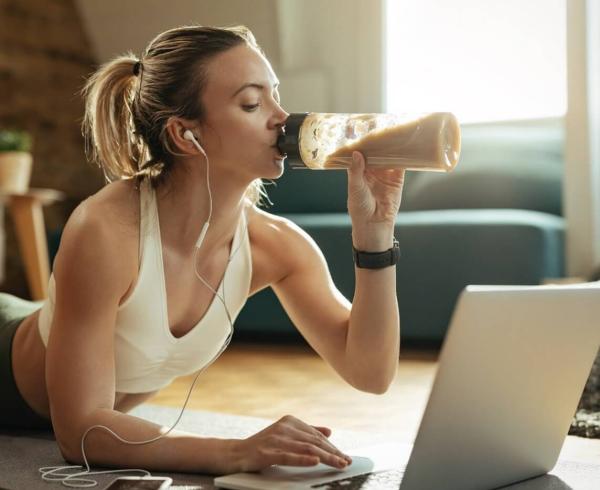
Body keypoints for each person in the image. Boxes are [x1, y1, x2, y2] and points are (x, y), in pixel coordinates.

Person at [0, 25, 405, 476]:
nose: (281, 118)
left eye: (276, 96)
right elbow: (80, 435)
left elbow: (371, 373)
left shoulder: (274, 246)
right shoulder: (106, 231)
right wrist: (235, 452)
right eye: (252, 103)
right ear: (183, 135)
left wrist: (375, 236)